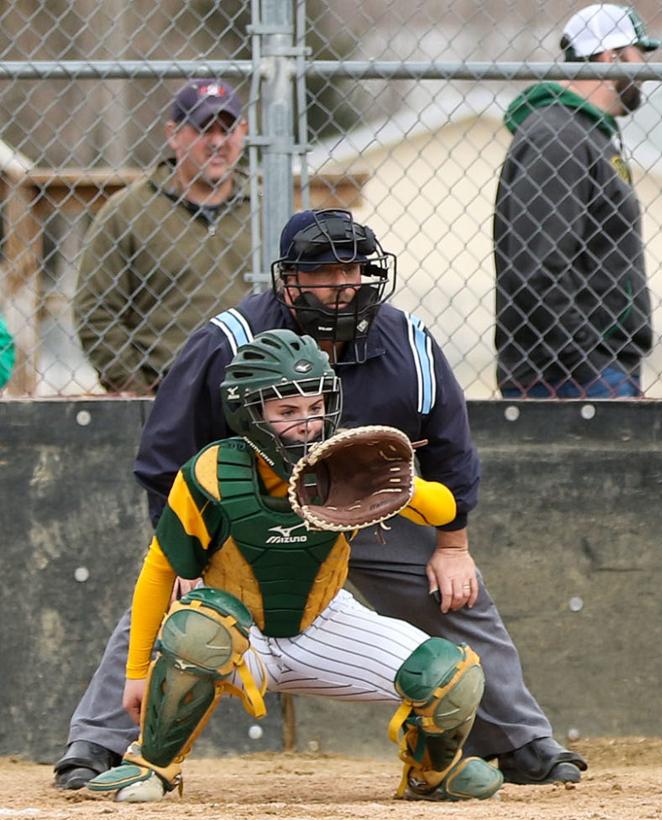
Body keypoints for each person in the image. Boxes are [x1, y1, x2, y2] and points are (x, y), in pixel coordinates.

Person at [54, 209, 586, 790]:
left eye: (355, 268)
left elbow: (451, 451)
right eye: (326, 271)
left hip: (370, 513)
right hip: (250, 508)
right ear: (289, 281)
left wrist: (453, 545)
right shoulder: (228, 340)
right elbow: (164, 457)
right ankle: (98, 743)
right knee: (168, 598)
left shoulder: (408, 343)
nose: (345, 283)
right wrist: (190, 557)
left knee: (457, 594)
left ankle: (519, 740)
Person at [84, 330, 504, 803]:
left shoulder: (345, 459)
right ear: (250, 412)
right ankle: (153, 766)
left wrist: (400, 486)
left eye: (315, 406)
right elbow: (160, 572)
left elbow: (445, 510)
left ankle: (433, 773)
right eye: (286, 411)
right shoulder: (210, 472)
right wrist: (137, 670)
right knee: (196, 627)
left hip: (321, 621)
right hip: (239, 634)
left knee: (452, 676)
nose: (306, 423)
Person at [493, 4, 662, 399]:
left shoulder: (584, 135)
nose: (646, 70)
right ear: (612, 58)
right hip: (566, 377)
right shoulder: (559, 138)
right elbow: (538, 267)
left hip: (587, 369)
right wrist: (587, 365)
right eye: (641, 55)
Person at [74, 78, 253, 393]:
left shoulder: (266, 210)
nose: (217, 142)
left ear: (245, 132)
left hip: (259, 391)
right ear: (173, 134)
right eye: (203, 130)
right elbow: (96, 311)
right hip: (164, 389)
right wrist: (138, 388)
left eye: (227, 130)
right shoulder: (128, 211)